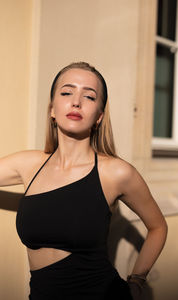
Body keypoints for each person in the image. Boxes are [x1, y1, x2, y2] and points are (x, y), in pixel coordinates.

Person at [0, 62, 167, 299]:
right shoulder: (29, 165)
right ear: (52, 109)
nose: (76, 101)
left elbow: (158, 227)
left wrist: (137, 281)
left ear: (99, 116)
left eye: (89, 96)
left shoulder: (116, 173)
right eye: (67, 92)